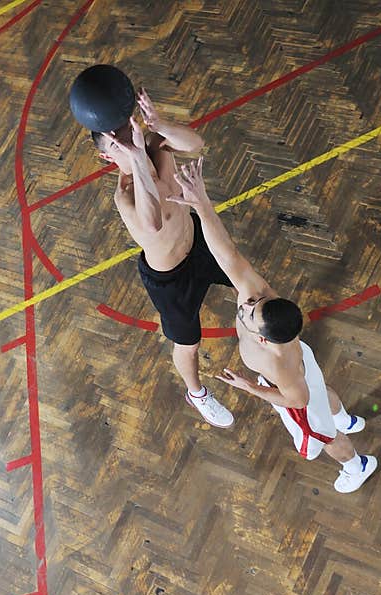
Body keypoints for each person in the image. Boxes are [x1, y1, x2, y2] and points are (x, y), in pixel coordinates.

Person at [167, 158, 378, 493]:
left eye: (250, 313)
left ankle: (357, 465)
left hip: (295, 389)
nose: (246, 304)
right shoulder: (259, 295)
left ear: (264, 340)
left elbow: (297, 400)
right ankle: (345, 418)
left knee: (322, 436)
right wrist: (202, 203)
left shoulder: (282, 367)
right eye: (254, 304)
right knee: (321, 393)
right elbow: (228, 255)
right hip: (304, 368)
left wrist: (251, 388)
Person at [90, 88, 234, 428]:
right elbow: (152, 221)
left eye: (126, 131)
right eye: (115, 144)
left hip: (199, 239)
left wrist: (159, 124)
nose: (125, 141)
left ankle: (267, 346)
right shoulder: (125, 195)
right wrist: (137, 156)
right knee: (189, 343)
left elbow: (196, 145)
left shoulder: (154, 143)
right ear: (107, 158)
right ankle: (196, 393)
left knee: (249, 286)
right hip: (171, 279)